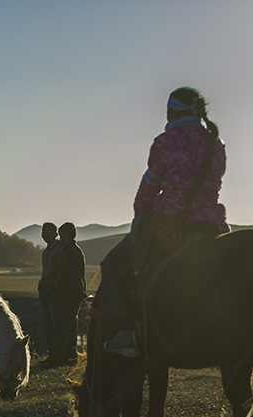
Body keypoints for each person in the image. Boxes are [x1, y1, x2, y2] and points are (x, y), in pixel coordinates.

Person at [96, 87, 230, 357]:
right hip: (212, 222)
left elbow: (150, 185)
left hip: (169, 220)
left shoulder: (165, 142)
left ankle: (126, 332)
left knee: (114, 264)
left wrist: (139, 212)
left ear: (172, 111)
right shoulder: (215, 144)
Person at [43, 222, 85, 366]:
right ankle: (70, 358)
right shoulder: (69, 251)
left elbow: (74, 276)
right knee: (70, 328)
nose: (60, 238)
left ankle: (58, 359)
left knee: (60, 328)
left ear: (68, 234)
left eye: (62, 235)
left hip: (69, 296)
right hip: (67, 295)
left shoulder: (72, 252)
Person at [37, 222, 60, 356]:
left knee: (54, 323)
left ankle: (56, 353)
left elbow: (58, 270)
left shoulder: (58, 249)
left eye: (50, 233)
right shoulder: (46, 251)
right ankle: (51, 352)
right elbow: (46, 270)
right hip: (44, 290)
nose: (46, 235)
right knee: (47, 325)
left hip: (53, 291)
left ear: (55, 234)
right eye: (45, 233)